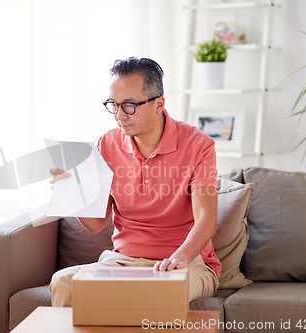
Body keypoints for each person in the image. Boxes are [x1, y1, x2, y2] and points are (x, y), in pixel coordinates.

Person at [49, 57, 220, 307]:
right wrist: (72, 194)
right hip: (123, 261)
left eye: (128, 105)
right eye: (113, 104)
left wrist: (179, 258)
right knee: (63, 281)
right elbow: (96, 224)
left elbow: (207, 220)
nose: (118, 115)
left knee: (156, 292)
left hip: (186, 262)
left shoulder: (198, 145)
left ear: (159, 103)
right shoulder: (106, 144)